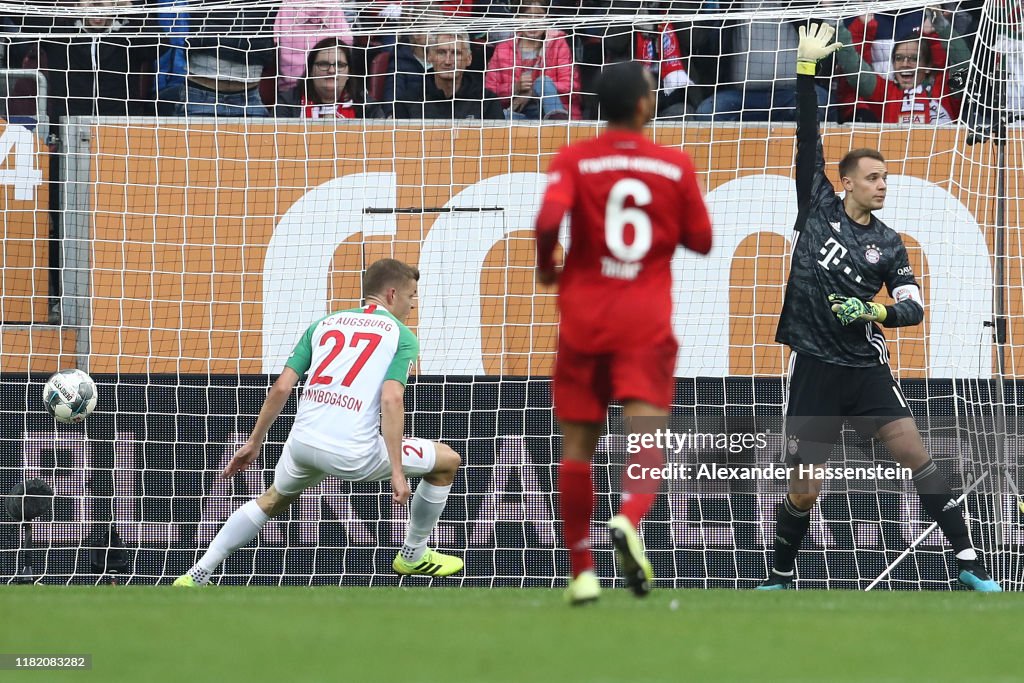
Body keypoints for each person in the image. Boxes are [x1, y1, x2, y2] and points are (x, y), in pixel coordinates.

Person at [761, 23, 1000, 592]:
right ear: (845, 184)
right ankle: (778, 574)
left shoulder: (889, 243)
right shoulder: (816, 205)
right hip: (815, 365)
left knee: (916, 454)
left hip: (865, 368)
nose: (882, 185)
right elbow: (806, 139)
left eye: (886, 178)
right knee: (804, 489)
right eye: (872, 178)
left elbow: (913, 307)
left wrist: (876, 314)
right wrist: (806, 73)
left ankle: (969, 563)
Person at [534, 61, 713, 605]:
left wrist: (548, 267)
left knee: (578, 446)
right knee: (645, 436)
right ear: (643, 105)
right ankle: (629, 518)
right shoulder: (673, 166)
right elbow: (702, 240)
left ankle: (582, 572)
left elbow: (546, 223)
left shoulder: (575, 159)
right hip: (644, 321)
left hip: (584, 318)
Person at [175, 259, 464, 586]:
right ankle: (413, 554)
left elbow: (282, 387)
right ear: (392, 293)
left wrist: (254, 441)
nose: (413, 305)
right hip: (351, 452)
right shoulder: (402, 336)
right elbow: (391, 399)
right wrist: (397, 472)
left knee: (271, 499)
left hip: (303, 444)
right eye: (412, 296)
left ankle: (197, 574)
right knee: (447, 462)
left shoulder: (324, 324)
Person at [835, 10, 969, 124]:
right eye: (899, 58)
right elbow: (853, 66)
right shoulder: (885, 91)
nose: (905, 64)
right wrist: (835, 23)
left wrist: (940, 24)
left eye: (914, 58)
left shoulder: (943, 88)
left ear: (927, 66)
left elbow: (964, 63)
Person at [485, 0, 578, 120]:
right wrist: (515, 88)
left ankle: (556, 120)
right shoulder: (503, 48)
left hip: (548, 110)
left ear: (547, 19)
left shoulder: (558, 43)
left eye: (539, 16)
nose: (533, 22)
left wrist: (533, 92)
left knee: (543, 82)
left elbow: (571, 86)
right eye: (526, 16)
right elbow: (489, 92)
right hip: (517, 113)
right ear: (517, 18)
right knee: (505, 117)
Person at [394, 31, 504, 120]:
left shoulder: (487, 101)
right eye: (441, 52)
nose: (448, 61)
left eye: (456, 53)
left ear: (469, 59)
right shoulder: (408, 100)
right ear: (429, 57)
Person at [277, 38, 369, 118]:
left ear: (349, 72)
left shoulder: (365, 104)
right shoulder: (287, 103)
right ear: (311, 71)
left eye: (339, 65)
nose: (332, 70)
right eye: (324, 64)